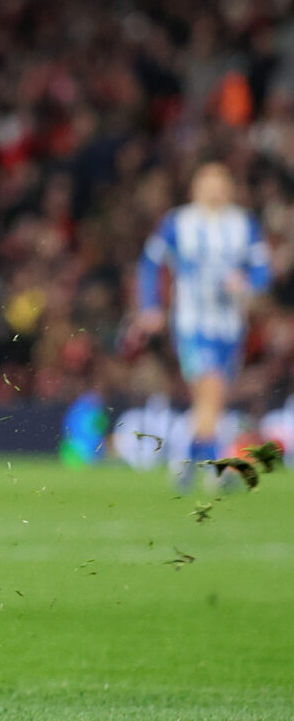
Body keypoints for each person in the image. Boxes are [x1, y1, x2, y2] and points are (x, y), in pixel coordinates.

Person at [129, 162, 274, 489]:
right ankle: (216, 467)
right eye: (207, 181)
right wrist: (150, 306)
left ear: (230, 187)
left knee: (213, 397)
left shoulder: (244, 224)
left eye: (220, 181)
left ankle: (186, 456)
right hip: (193, 323)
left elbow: (263, 270)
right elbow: (151, 262)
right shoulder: (178, 222)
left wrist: (247, 281)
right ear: (195, 187)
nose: (213, 188)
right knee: (212, 386)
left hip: (231, 326)